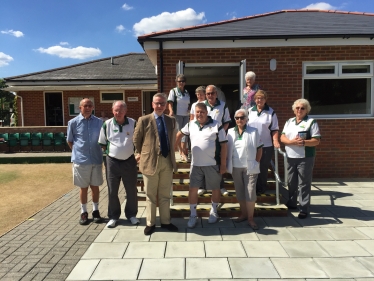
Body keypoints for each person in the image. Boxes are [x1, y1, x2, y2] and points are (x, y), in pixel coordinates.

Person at [176, 103, 227, 227]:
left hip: (212, 164)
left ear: (207, 112)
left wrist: (223, 164)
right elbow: (178, 135)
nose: (199, 114)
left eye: (202, 112)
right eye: (197, 112)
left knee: (215, 188)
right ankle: (193, 214)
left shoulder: (216, 124)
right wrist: (180, 150)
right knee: (193, 189)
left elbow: (224, 145)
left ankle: (214, 211)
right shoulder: (191, 124)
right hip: (196, 164)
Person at [133, 93, 179, 235]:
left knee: (165, 194)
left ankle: (166, 221)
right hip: (150, 162)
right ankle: (150, 223)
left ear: (166, 105)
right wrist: (140, 153)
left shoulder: (171, 120)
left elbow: (172, 139)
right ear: (152, 104)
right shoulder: (144, 120)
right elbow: (136, 139)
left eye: (162, 103)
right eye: (157, 103)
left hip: (167, 161)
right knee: (151, 195)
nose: (160, 106)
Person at [98, 101, 139, 228]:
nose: (118, 113)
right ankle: (113, 216)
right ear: (112, 110)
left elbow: (139, 141)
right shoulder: (107, 124)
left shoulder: (133, 123)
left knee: (131, 190)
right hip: (112, 162)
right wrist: (112, 154)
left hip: (129, 161)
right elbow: (102, 143)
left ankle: (131, 215)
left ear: (125, 111)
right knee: (112, 191)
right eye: (116, 110)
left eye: (121, 110)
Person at [280, 98, 321, 219]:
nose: (299, 110)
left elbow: (316, 141)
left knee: (304, 183)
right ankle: (292, 203)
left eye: (302, 108)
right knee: (291, 182)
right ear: (294, 110)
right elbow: (282, 138)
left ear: (307, 110)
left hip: (305, 157)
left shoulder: (311, 122)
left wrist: (303, 143)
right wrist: (291, 142)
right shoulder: (289, 121)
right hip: (290, 156)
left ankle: (304, 208)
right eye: (297, 108)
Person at [67, 98, 103, 225]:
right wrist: (79, 152)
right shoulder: (73, 123)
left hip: (96, 159)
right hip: (81, 161)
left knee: (95, 187)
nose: (87, 108)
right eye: (85, 106)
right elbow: (70, 141)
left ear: (93, 107)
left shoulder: (99, 122)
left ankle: (96, 211)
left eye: (90, 105)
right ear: (80, 108)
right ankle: (83, 212)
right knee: (83, 188)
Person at [227, 109, 263, 230]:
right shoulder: (230, 132)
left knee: (250, 192)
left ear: (247, 119)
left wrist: (256, 162)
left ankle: (251, 218)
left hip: (250, 167)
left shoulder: (254, 131)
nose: (239, 120)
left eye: (242, 118)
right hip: (235, 166)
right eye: (237, 118)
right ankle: (243, 214)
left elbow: (260, 149)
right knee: (240, 192)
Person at [198, 84, 231, 196]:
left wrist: (220, 132)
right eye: (208, 93)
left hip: (218, 139)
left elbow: (227, 121)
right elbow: (196, 121)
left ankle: (220, 186)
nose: (210, 95)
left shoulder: (223, 105)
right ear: (205, 95)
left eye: (212, 93)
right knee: (202, 161)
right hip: (204, 139)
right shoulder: (201, 105)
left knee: (218, 162)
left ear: (216, 94)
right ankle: (202, 186)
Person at [247, 90, 280, 193]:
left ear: (265, 99)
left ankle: (262, 188)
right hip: (251, 144)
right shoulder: (249, 111)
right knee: (252, 165)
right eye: (257, 98)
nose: (259, 100)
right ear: (254, 99)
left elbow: (274, 128)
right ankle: (252, 187)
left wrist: (275, 140)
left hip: (266, 145)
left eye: (262, 98)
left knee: (263, 166)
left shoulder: (270, 112)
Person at [168, 74, 190, 161]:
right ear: (176, 82)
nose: (181, 83)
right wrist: (171, 111)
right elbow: (170, 102)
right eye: (179, 81)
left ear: (185, 83)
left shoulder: (187, 92)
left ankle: (183, 152)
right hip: (177, 115)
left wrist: (189, 109)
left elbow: (187, 104)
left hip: (186, 115)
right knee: (179, 134)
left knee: (185, 134)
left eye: (182, 81)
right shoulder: (173, 91)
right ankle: (181, 152)